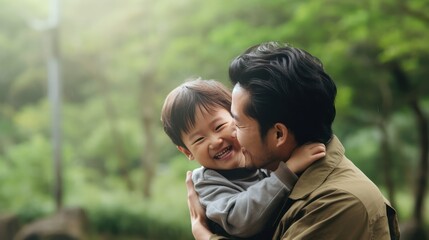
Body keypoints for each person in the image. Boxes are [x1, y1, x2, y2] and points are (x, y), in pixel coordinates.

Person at [186, 42, 401, 240]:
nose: (231, 136)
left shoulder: (338, 204)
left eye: (239, 124)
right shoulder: (288, 178)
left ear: (278, 134)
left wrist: (205, 236)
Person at [161, 78, 326, 239]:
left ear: (236, 117)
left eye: (219, 127)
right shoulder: (208, 182)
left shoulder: (259, 158)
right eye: (199, 140)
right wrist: (287, 171)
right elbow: (239, 221)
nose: (215, 141)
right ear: (186, 151)